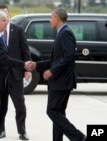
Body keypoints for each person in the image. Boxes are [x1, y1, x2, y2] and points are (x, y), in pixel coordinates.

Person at [27, 8, 87, 141]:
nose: (50, 20)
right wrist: (37, 65)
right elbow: (56, 59)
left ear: (58, 18)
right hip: (61, 81)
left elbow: (68, 57)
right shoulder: (61, 33)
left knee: (52, 111)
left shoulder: (65, 33)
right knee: (58, 113)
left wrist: (52, 71)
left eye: (51, 17)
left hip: (62, 80)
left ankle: (79, 137)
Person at [0, 10, 30, 141]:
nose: (7, 22)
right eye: (4, 20)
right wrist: (23, 65)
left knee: (1, 111)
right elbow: (3, 59)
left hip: (2, 81)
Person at [0, 5, 31, 140]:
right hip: (0, 76)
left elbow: (25, 50)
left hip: (15, 75)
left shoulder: (18, 30)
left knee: (20, 106)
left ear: (9, 14)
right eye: (0, 15)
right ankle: (1, 130)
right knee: (1, 107)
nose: (3, 17)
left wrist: (27, 69)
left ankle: (22, 131)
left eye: (5, 14)